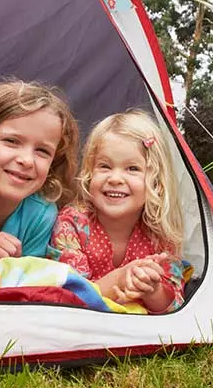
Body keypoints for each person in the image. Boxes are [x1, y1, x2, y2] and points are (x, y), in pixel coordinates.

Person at [47, 110, 188, 314]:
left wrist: (152, 290)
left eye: (132, 169)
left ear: (156, 183)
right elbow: (70, 297)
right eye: (105, 166)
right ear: (89, 173)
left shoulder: (160, 233)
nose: (115, 178)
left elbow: (174, 306)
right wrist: (121, 279)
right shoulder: (72, 223)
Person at [0, 80, 80, 272]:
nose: (27, 160)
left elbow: (26, 285)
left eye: (42, 151)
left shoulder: (40, 214)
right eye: (12, 141)